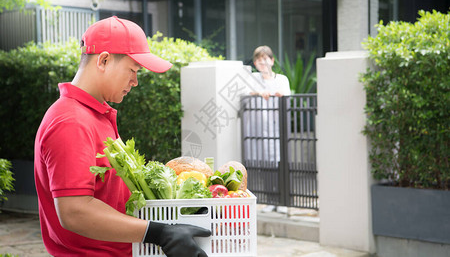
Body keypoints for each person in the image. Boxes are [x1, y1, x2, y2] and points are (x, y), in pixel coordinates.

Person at [34, 16, 210, 256]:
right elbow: (75, 211)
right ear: (104, 60)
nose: (135, 82)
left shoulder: (93, 114)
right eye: (132, 70)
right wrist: (159, 233)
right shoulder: (71, 121)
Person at [245, 45, 290, 214]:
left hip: (278, 128)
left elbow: (287, 95)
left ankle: (283, 201)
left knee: (280, 164)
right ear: (255, 63)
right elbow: (247, 90)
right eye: (258, 60)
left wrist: (279, 95)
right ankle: (271, 200)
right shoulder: (253, 78)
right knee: (266, 166)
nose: (262, 63)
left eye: (265, 59)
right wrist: (259, 93)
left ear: (272, 60)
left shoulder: (282, 79)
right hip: (260, 129)